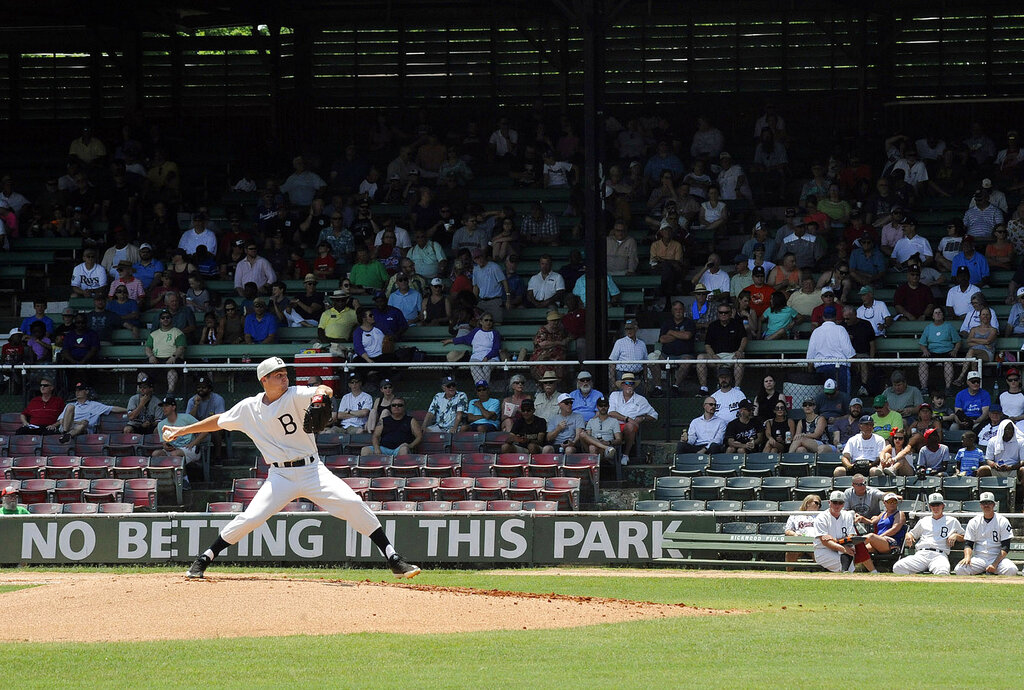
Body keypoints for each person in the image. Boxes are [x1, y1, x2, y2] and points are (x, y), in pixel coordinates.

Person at [168, 356, 420, 579]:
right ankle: (205, 558)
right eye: (278, 375)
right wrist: (183, 430)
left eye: (285, 373)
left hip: (312, 470)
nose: (284, 378)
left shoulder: (295, 394)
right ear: (264, 380)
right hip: (280, 476)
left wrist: (322, 394)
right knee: (252, 517)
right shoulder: (248, 408)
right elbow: (219, 422)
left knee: (353, 504)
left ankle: (393, 558)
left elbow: (322, 389)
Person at [892, 492, 965, 575]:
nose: (935, 508)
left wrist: (956, 536)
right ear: (930, 507)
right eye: (933, 505)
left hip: (939, 555)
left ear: (943, 506)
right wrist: (908, 535)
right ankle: (917, 585)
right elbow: (912, 533)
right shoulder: (923, 520)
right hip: (921, 554)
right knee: (898, 567)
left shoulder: (952, 521)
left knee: (942, 572)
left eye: (938, 505)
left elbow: (965, 536)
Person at [953, 492, 1018, 576]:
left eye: (989, 503)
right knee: (959, 569)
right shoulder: (974, 521)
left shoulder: (1002, 521)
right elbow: (968, 544)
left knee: (1012, 569)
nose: (986, 505)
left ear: (994, 505)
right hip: (979, 558)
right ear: (980, 505)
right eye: (984, 503)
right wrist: (967, 557)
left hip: (997, 558)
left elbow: (1006, 547)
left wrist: (994, 564)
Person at [607, 372, 658, 465]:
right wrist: (627, 419)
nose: (630, 386)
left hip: (628, 427)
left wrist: (642, 418)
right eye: (627, 383)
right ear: (622, 385)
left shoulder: (641, 399)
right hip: (613, 425)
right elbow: (610, 412)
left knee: (630, 426)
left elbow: (654, 415)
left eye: (632, 383)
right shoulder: (614, 395)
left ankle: (625, 455)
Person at [697, 303, 747, 393]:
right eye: (721, 312)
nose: (723, 314)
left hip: (732, 356)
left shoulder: (737, 324)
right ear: (718, 314)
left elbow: (744, 338)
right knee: (700, 357)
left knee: (741, 357)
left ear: (730, 313)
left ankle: (737, 389)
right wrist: (713, 355)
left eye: (726, 312)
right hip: (716, 357)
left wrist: (739, 350)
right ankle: (703, 388)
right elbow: (707, 345)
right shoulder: (713, 326)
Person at [152, 396, 205, 481]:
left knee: (175, 454)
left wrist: (194, 443)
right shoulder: (161, 424)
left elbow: (205, 430)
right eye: (163, 406)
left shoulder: (186, 418)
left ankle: (184, 480)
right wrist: (166, 446)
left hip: (190, 449)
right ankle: (162, 480)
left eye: (167, 406)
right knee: (156, 454)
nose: (164, 408)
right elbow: (164, 443)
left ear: (173, 407)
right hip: (173, 450)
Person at [56, 382, 129, 442]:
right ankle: (66, 434)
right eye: (76, 390)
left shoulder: (95, 405)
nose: (77, 392)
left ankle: (66, 436)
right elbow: (61, 421)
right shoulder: (71, 404)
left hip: (83, 429)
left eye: (80, 390)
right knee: (70, 407)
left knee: (84, 423)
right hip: (69, 426)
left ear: (87, 391)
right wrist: (77, 422)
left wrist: (128, 410)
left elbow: (112, 408)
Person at [853, 492, 907, 573]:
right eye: (889, 501)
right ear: (884, 503)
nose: (892, 504)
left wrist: (879, 537)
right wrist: (861, 518)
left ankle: (850, 546)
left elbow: (895, 529)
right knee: (863, 549)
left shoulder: (899, 514)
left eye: (894, 501)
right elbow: (872, 521)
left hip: (891, 543)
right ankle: (872, 571)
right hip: (879, 542)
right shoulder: (883, 514)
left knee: (871, 536)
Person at [443, 313, 502, 385]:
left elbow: (496, 349)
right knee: (473, 366)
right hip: (476, 357)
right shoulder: (476, 331)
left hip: (491, 357)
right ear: (481, 321)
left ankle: (481, 387)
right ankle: (484, 387)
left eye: (490, 320)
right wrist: (450, 340)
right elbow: (465, 339)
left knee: (486, 367)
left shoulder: (495, 333)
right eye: (486, 320)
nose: (488, 322)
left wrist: (487, 357)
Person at [917, 307, 960, 395]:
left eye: (940, 312)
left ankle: (948, 388)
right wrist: (925, 350)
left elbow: (958, 341)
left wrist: (955, 350)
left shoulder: (949, 326)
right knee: (922, 363)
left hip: (947, 351)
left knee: (948, 363)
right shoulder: (928, 327)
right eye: (935, 313)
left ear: (943, 315)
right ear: (932, 316)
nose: (938, 314)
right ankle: (924, 388)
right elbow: (922, 343)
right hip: (932, 352)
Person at [812, 491, 857, 573]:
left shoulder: (847, 515)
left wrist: (835, 540)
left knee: (848, 560)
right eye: (834, 502)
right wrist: (843, 547)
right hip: (823, 551)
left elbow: (850, 536)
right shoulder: (821, 517)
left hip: (842, 549)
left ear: (843, 504)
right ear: (829, 502)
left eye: (840, 503)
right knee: (845, 566)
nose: (837, 505)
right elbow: (825, 542)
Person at [145, 310, 186, 394]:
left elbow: (181, 348)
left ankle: (170, 393)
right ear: (160, 320)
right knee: (142, 374)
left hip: (171, 359)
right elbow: (148, 347)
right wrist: (151, 356)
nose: (165, 319)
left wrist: (174, 357)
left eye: (168, 317)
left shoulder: (178, 332)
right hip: (156, 359)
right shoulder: (153, 334)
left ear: (171, 319)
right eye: (163, 318)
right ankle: (140, 394)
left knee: (172, 372)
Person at [978, 419, 1024, 486]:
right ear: (1001, 430)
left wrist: (1010, 467)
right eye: (1006, 429)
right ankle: (982, 494)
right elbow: (988, 459)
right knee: (982, 470)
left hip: (1013, 470)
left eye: (1010, 429)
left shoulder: (1021, 441)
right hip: (997, 470)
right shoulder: (993, 441)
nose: (1009, 431)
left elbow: (1023, 461)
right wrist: (994, 465)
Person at [784, 494, 821, 569]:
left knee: (818, 549)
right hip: (799, 540)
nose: (818, 505)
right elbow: (787, 530)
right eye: (816, 503)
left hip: (814, 540)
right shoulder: (796, 514)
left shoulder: (820, 516)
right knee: (791, 548)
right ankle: (788, 573)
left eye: (820, 504)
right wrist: (795, 535)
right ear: (807, 503)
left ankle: (818, 573)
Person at [579, 397, 622, 462]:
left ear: (608, 406)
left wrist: (608, 442)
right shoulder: (591, 421)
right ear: (597, 407)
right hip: (598, 447)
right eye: (601, 405)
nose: (603, 407)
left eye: (605, 405)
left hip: (607, 446)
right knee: (583, 434)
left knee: (592, 447)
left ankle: (594, 469)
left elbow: (619, 439)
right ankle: (604, 447)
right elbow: (587, 437)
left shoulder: (614, 421)